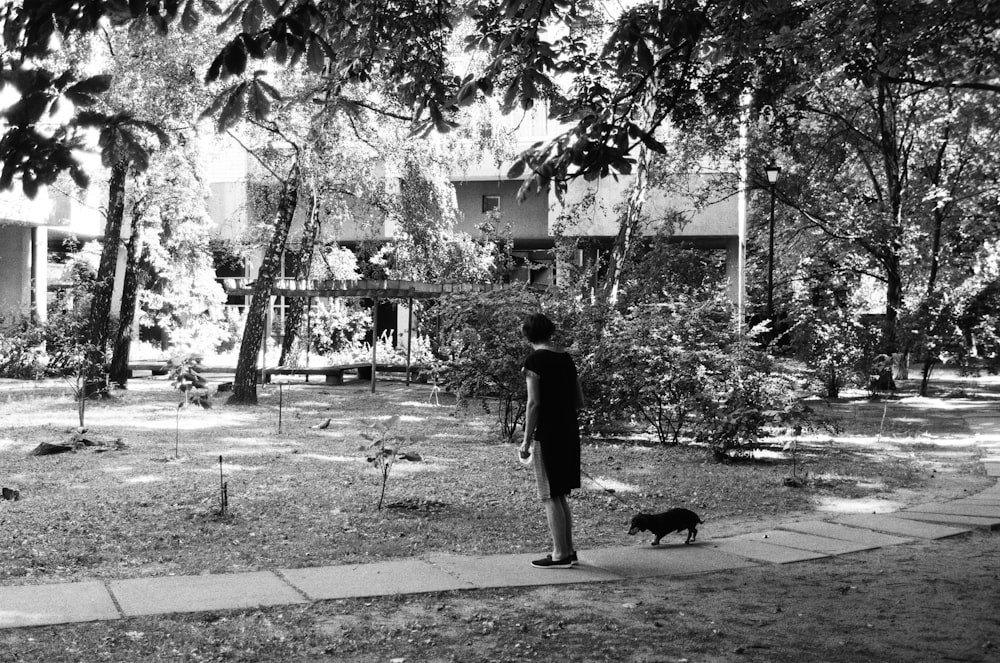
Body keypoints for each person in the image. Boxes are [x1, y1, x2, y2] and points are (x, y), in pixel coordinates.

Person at [518, 312, 585, 569]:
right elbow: (579, 400)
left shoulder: (534, 360)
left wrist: (525, 441)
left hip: (548, 433)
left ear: (527, 334)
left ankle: (559, 555)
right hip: (569, 430)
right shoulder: (565, 358)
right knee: (559, 493)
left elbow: (533, 403)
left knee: (549, 495)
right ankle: (566, 550)